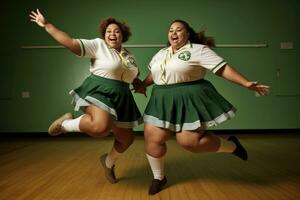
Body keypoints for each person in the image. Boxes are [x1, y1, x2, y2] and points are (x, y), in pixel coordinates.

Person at [133, 19, 270, 195]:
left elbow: (222, 69)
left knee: (189, 142)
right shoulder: (161, 53)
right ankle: (159, 177)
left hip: (188, 98)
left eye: (179, 30)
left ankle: (232, 146)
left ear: (187, 34)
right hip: (161, 99)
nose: (174, 33)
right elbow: (155, 74)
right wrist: (144, 85)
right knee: (152, 138)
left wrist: (246, 83)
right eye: (171, 30)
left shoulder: (198, 50)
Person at [29, 9, 142, 184]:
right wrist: (47, 25)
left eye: (117, 31)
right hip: (100, 91)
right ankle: (65, 124)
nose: (112, 34)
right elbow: (71, 42)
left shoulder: (129, 56)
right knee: (100, 127)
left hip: (122, 98)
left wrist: (138, 84)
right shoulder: (98, 45)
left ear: (123, 35)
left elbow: (132, 75)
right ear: (104, 35)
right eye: (108, 31)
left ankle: (108, 162)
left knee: (127, 139)